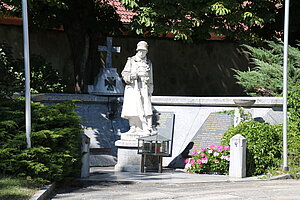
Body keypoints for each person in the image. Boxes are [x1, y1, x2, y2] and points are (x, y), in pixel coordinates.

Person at [121, 41, 153, 135]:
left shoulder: (148, 62)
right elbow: (124, 73)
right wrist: (132, 76)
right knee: (133, 107)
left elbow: (150, 76)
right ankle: (133, 127)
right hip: (133, 87)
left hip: (144, 87)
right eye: (140, 51)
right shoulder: (131, 60)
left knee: (145, 107)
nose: (142, 53)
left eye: (144, 51)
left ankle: (144, 127)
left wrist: (150, 88)